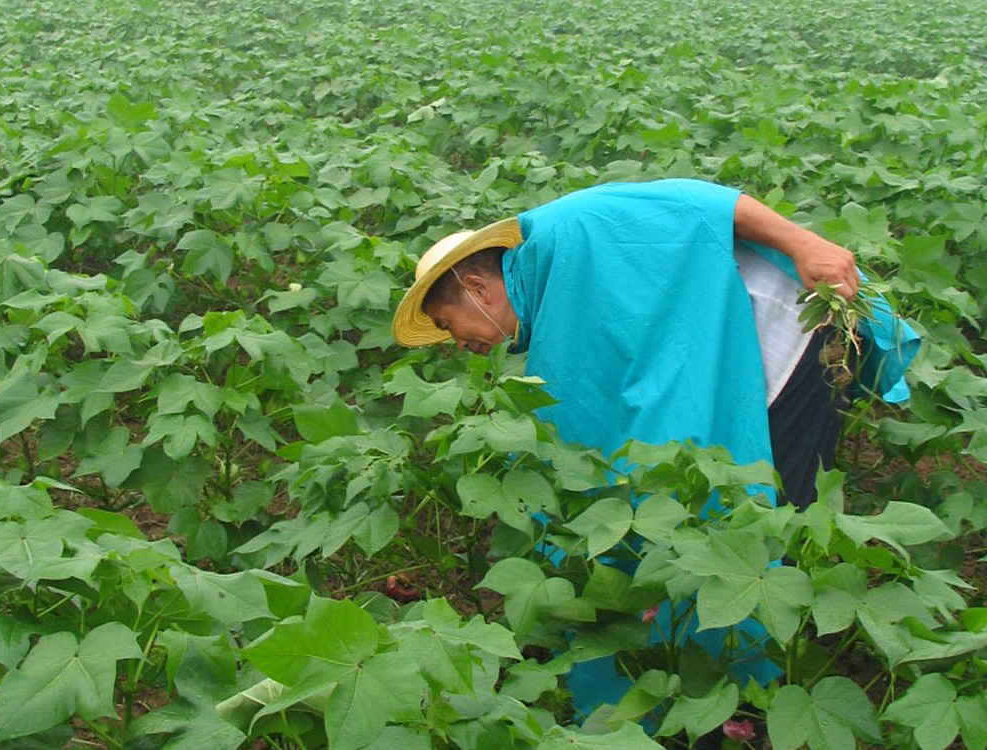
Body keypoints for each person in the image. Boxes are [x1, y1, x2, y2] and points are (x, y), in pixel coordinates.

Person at [391, 178, 918, 722]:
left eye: (447, 326)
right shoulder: (547, 293)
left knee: (764, 526)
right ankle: (707, 677)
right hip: (726, 349)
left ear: (477, 289)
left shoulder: (566, 229)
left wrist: (805, 243)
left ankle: (751, 697)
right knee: (720, 520)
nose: (457, 344)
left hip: (788, 337)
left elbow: (700, 201)